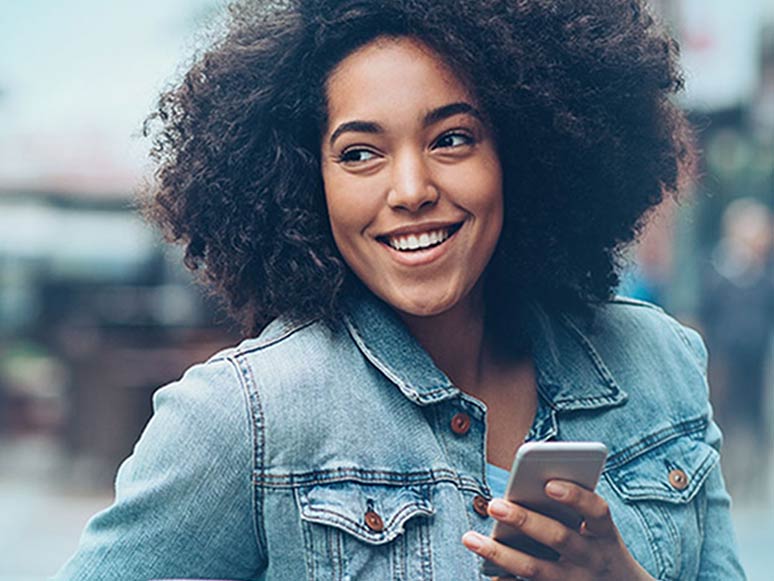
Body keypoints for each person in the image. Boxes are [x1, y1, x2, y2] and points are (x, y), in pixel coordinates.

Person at [54, 0, 746, 579]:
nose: (412, 190)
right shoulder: (245, 418)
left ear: (523, 154)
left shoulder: (657, 362)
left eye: (452, 139)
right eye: (360, 153)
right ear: (303, 180)